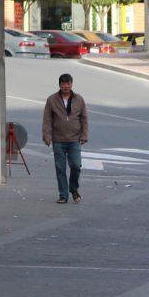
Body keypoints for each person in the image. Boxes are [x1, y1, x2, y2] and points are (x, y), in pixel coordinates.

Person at [42, 73, 88, 204]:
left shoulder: (79, 99)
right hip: (58, 139)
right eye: (63, 84)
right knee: (60, 168)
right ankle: (63, 195)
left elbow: (84, 118)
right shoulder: (52, 100)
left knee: (76, 165)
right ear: (59, 85)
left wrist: (84, 135)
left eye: (68, 83)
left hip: (75, 139)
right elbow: (47, 119)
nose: (66, 86)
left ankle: (73, 189)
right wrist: (47, 136)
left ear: (72, 84)